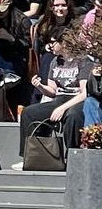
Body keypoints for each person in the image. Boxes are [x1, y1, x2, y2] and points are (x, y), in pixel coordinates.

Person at [15, 29, 91, 170]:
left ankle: (72, 158)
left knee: (73, 116)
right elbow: (52, 91)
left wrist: (62, 109)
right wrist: (40, 86)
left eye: (53, 42)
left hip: (77, 100)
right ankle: (31, 156)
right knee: (29, 113)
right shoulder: (55, 61)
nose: (50, 46)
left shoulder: (83, 61)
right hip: (59, 99)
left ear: (63, 43)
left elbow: (84, 93)